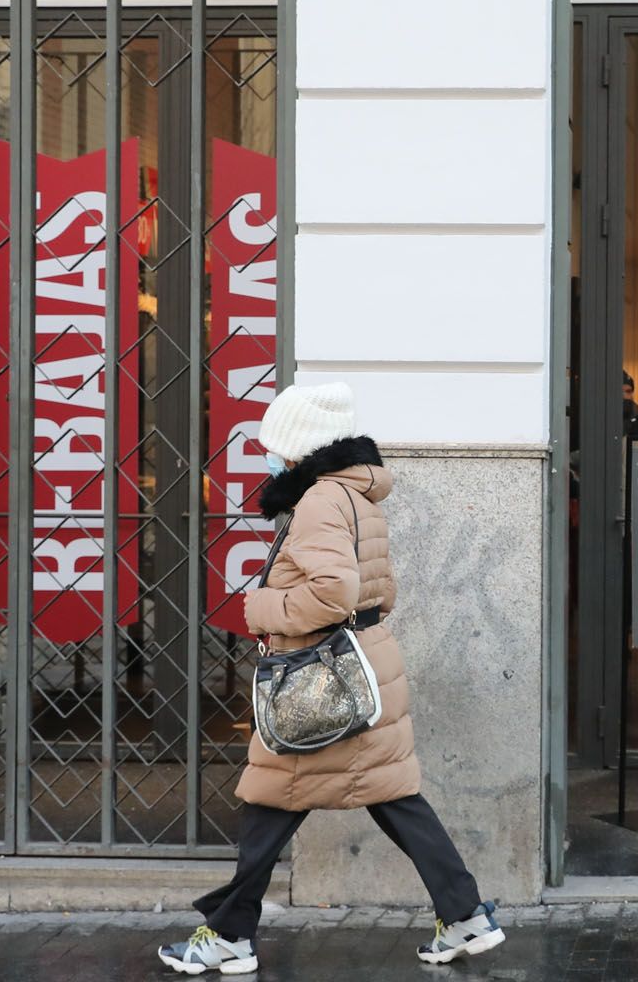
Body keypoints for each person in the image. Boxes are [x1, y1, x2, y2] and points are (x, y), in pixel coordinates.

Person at [158, 382, 505, 975]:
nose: (269, 456)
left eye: (273, 446)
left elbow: (333, 591)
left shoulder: (319, 500)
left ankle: (228, 937)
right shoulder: (354, 495)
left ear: (296, 447)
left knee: (270, 800)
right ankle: (466, 914)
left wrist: (262, 609)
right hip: (359, 662)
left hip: (319, 675)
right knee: (393, 797)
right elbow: (379, 591)